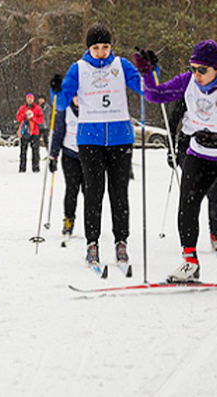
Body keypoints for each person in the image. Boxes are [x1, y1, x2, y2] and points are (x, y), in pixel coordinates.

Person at [135, 39, 217, 295]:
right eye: (193, 67)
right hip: (200, 154)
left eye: (202, 69)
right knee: (187, 207)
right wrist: (147, 74)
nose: (197, 74)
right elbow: (155, 95)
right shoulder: (188, 82)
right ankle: (190, 263)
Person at [55, 23, 142, 267]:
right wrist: (56, 91)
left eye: (105, 47)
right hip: (89, 140)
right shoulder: (78, 68)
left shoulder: (121, 65)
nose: (101, 52)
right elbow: (62, 102)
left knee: (119, 193)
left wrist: (149, 70)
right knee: (93, 193)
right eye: (96, 47)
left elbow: (146, 89)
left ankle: (121, 241)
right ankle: (92, 244)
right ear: (89, 48)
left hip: (120, 138)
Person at [168, 99, 217, 251]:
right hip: (188, 147)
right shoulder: (187, 95)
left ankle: (216, 233)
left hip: (212, 146)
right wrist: (171, 150)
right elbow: (172, 123)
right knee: (191, 193)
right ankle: (188, 238)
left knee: (216, 191)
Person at [49, 95, 83, 236]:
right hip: (70, 155)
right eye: (74, 96)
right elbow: (58, 133)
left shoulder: (91, 110)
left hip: (89, 156)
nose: (77, 99)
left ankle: (92, 222)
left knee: (90, 192)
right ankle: (69, 220)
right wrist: (53, 155)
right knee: (71, 189)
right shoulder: (65, 111)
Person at [16, 93, 44, 173]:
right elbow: (18, 118)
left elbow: (41, 120)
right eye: (28, 98)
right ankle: (22, 168)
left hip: (34, 132)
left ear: (33, 99)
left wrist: (33, 118)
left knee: (35, 151)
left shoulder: (37, 108)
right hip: (25, 132)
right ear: (26, 99)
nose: (29, 100)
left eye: (31, 98)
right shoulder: (22, 108)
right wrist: (24, 116)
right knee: (23, 151)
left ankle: (36, 168)